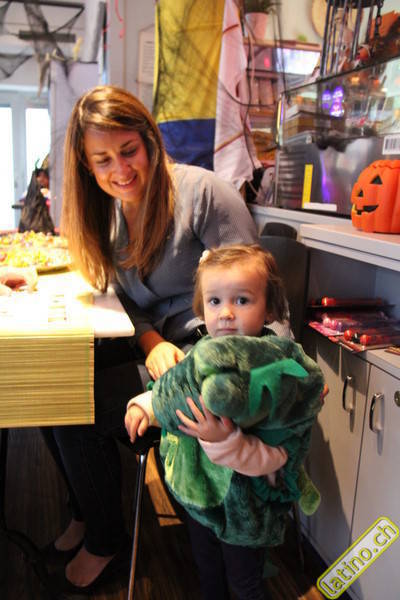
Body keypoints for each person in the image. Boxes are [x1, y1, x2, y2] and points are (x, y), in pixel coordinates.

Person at [40, 84, 260, 594]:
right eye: (102, 160)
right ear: (86, 165)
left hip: (218, 359)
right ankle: (85, 512)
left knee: (73, 407)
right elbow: (129, 300)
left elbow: (260, 305)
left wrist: (187, 371)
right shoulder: (110, 213)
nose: (119, 169)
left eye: (128, 151)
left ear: (150, 140)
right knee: (55, 384)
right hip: (165, 353)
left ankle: (106, 539)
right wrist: (152, 342)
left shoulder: (202, 194)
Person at [125, 244, 325, 600]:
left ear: (269, 309)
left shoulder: (278, 373)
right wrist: (144, 407)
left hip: (246, 511)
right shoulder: (203, 352)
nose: (226, 313)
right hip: (202, 498)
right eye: (215, 301)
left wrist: (225, 440)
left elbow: (277, 459)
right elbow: (173, 390)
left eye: (242, 300)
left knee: (245, 583)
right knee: (208, 570)